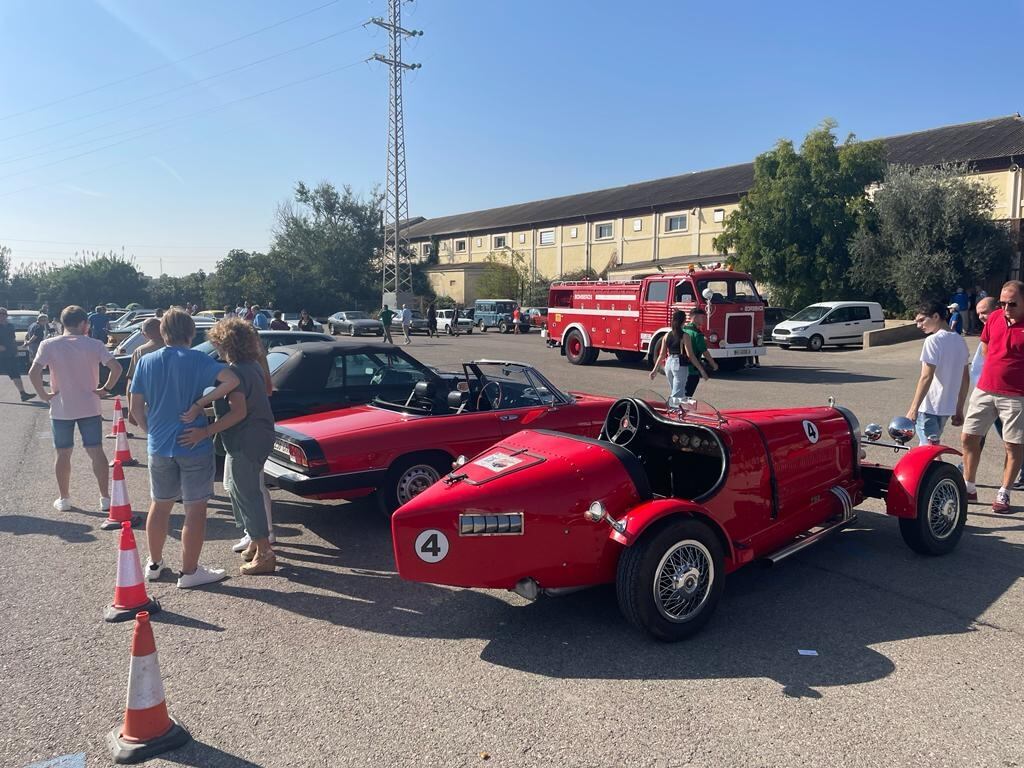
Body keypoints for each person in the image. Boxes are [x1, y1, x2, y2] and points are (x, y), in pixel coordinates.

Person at [129, 309, 240, 588]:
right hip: (193, 442)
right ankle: (190, 572)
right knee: (195, 508)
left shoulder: (146, 360)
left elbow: (135, 408)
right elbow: (232, 381)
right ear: (191, 332)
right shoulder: (200, 359)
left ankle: (154, 563)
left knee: (160, 504)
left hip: (159, 444)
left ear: (163, 332)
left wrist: (150, 431)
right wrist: (200, 404)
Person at [178, 318, 276, 575]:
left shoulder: (237, 372)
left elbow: (238, 412)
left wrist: (204, 431)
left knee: (247, 493)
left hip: (247, 439)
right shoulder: (251, 365)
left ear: (225, 344)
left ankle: (265, 552)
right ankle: (257, 543)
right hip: (257, 435)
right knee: (239, 489)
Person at [28, 305, 122, 511]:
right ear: (83, 323)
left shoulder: (48, 344)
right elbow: (117, 368)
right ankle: (105, 498)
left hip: (62, 407)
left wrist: (45, 396)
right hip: (90, 405)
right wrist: (105, 389)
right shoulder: (95, 344)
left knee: (62, 453)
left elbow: (33, 373)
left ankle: (64, 499)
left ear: (63, 323)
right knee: (96, 451)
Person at [961, 280, 1024, 514]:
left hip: (1016, 395)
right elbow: (986, 346)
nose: (1006, 308)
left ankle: (1004, 492)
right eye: (1003, 303)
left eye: (1013, 304)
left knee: (1013, 444)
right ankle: (969, 486)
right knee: (969, 437)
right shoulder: (996, 317)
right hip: (985, 389)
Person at [906, 301, 969, 446]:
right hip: (946, 407)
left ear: (935, 316)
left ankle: (942, 470)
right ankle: (939, 469)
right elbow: (965, 379)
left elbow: (926, 376)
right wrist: (959, 408)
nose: (919, 325)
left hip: (929, 406)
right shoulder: (960, 341)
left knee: (928, 449)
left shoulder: (932, 341)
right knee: (931, 446)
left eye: (922, 320)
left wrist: (913, 409)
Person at [650, 310, 711, 400]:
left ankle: (676, 409)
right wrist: (701, 370)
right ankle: (673, 410)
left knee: (676, 391)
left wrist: (654, 370)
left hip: (668, 364)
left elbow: (661, 355)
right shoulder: (685, 336)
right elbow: (691, 355)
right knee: (678, 394)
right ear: (683, 321)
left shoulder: (666, 335)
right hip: (679, 364)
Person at [125, 318, 165, 426]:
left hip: (149, 404)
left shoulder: (140, 351)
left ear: (144, 334)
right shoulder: (174, 348)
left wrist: (131, 410)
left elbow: (131, 382)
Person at [680, 308, 718, 397]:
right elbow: (704, 352)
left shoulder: (683, 330)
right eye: (702, 317)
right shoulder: (697, 334)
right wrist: (713, 364)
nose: (704, 320)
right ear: (695, 317)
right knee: (687, 396)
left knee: (679, 393)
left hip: (680, 368)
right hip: (692, 369)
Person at [0, 308, 35, 402]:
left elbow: (12, 339)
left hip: (10, 354)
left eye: (4, 314)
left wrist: (15, 351)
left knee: (15, 374)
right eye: (0, 314)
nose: (2, 316)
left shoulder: (10, 326)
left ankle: (23, 394)